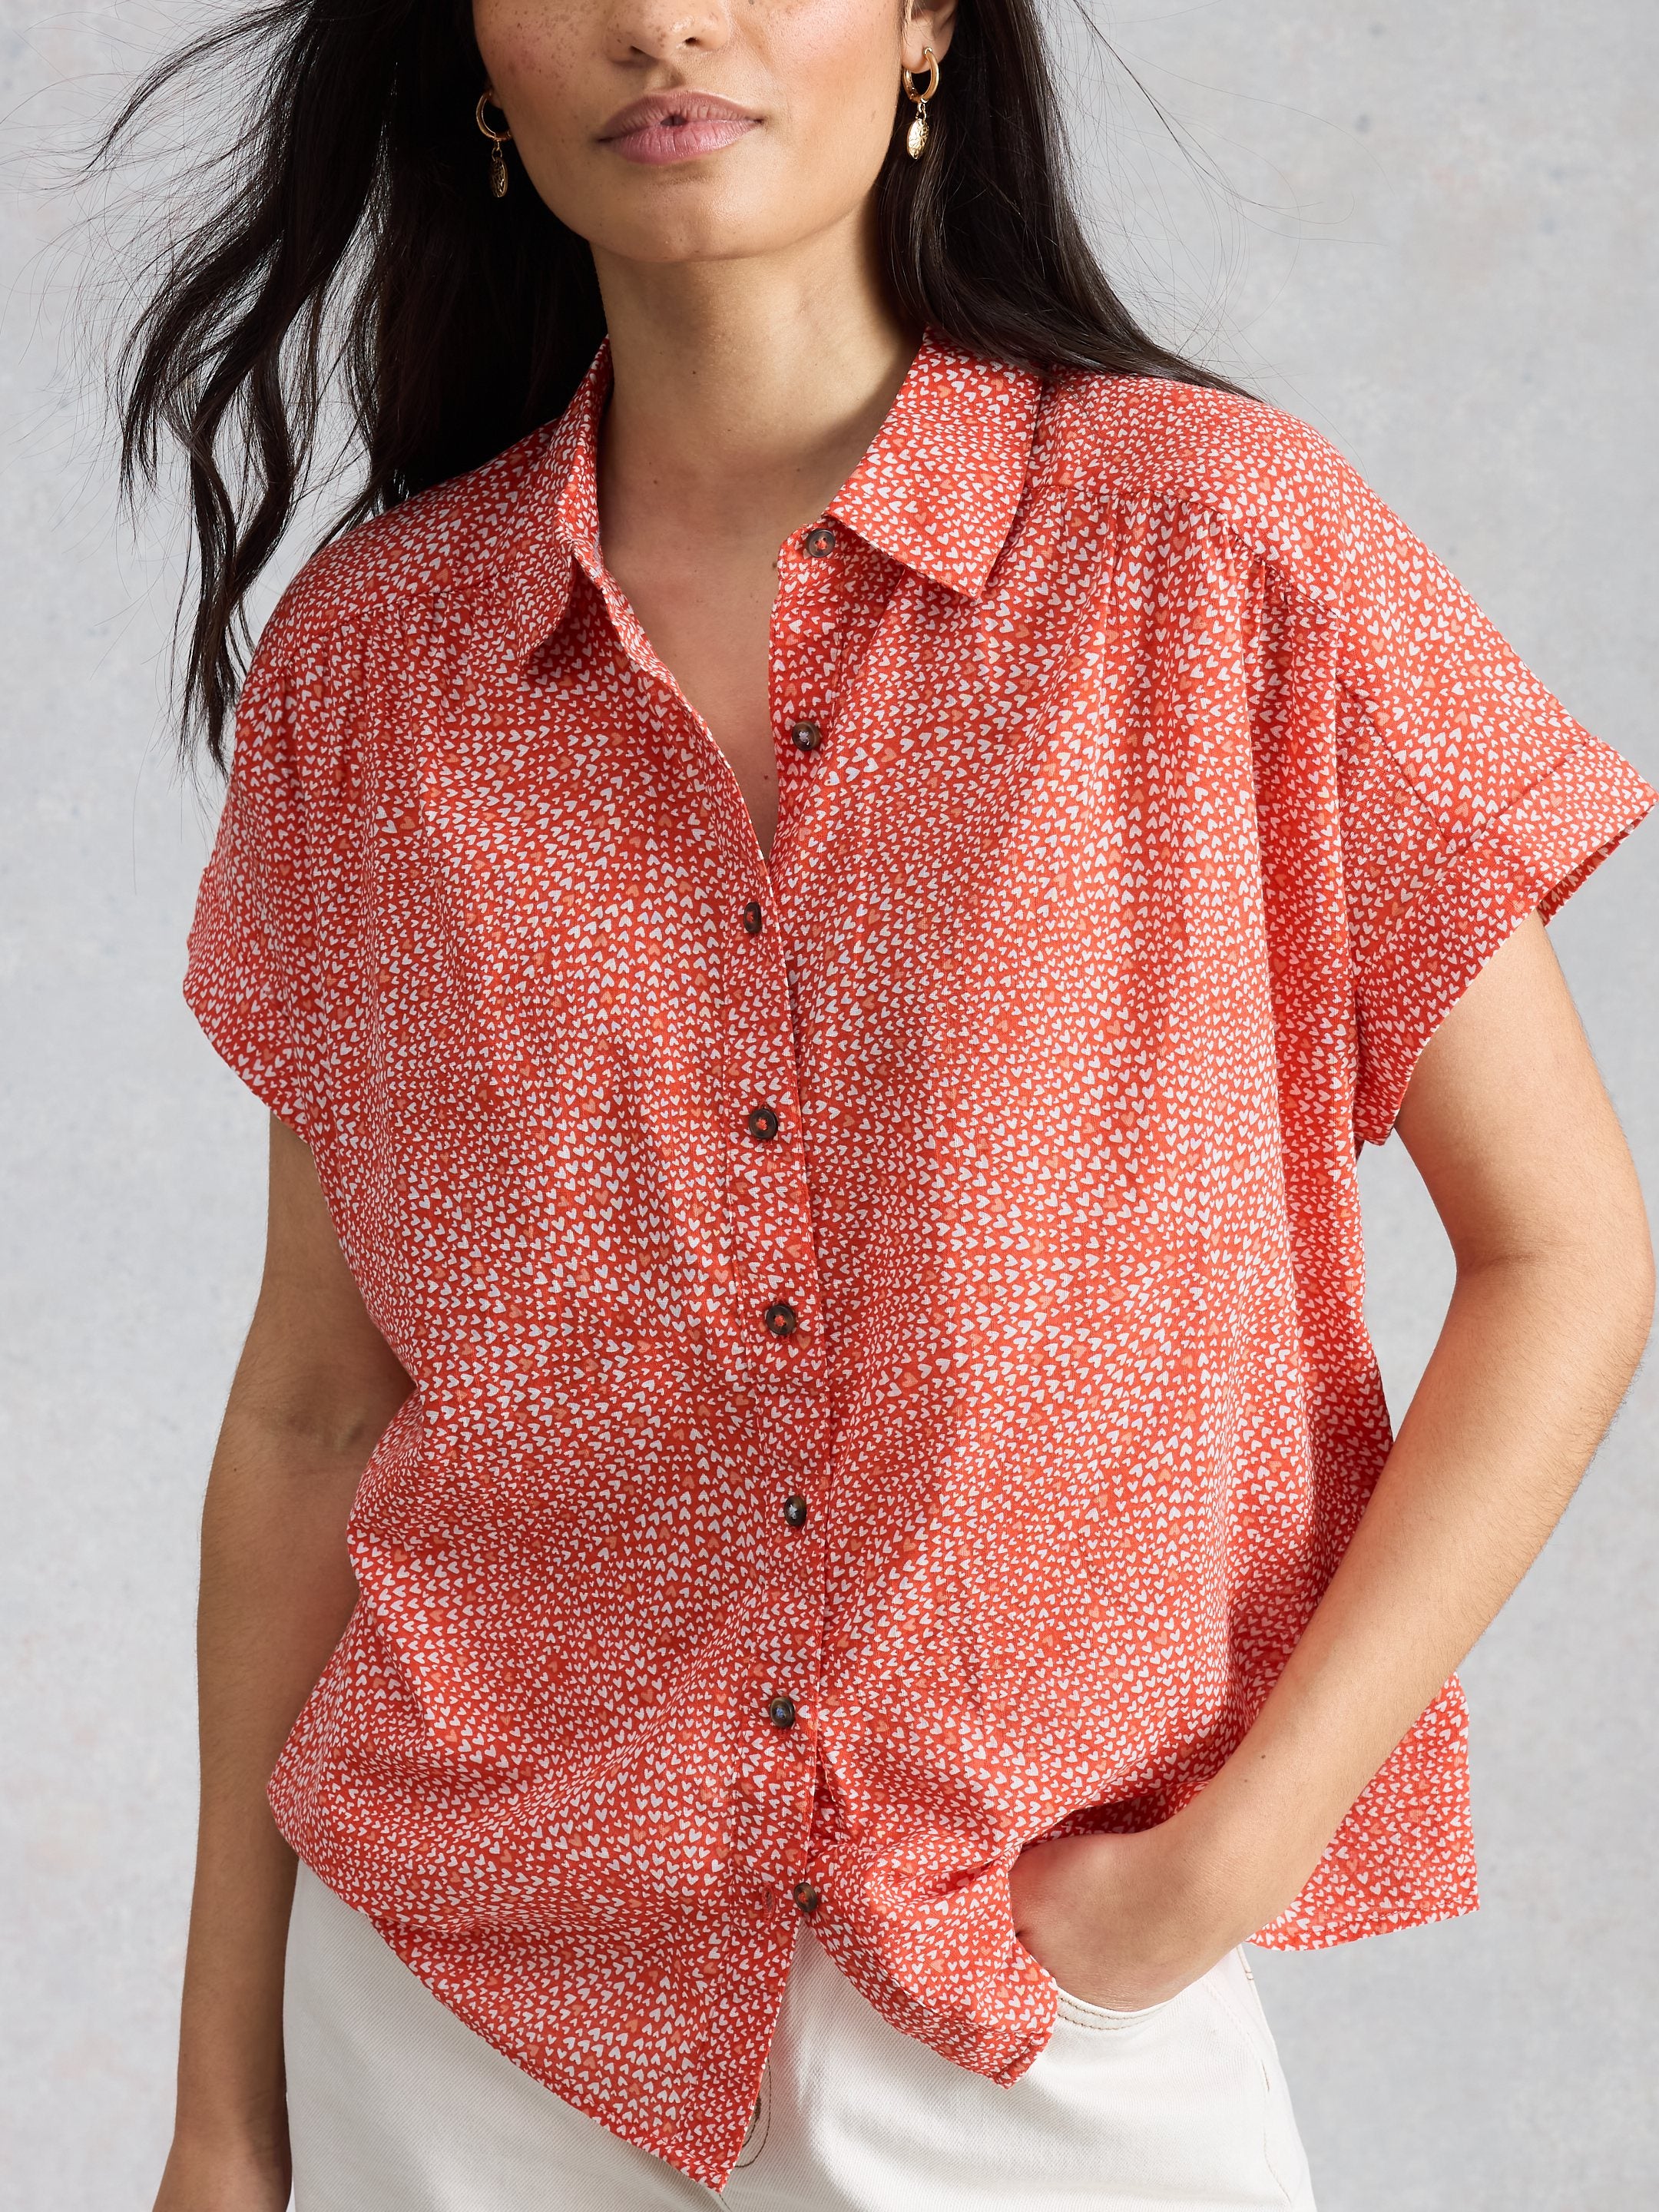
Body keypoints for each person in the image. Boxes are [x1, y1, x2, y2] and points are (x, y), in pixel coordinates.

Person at [120, 1, 1655, 2207]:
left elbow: (1571, 1251)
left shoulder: (1215, 558)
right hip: (464, 2014)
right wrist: (223, 2110)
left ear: (933, 24)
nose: (669, 17)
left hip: (1024, 2002)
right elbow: (315, 1410)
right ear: (472, 57)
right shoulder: (372, 673)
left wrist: (1224, 1862)